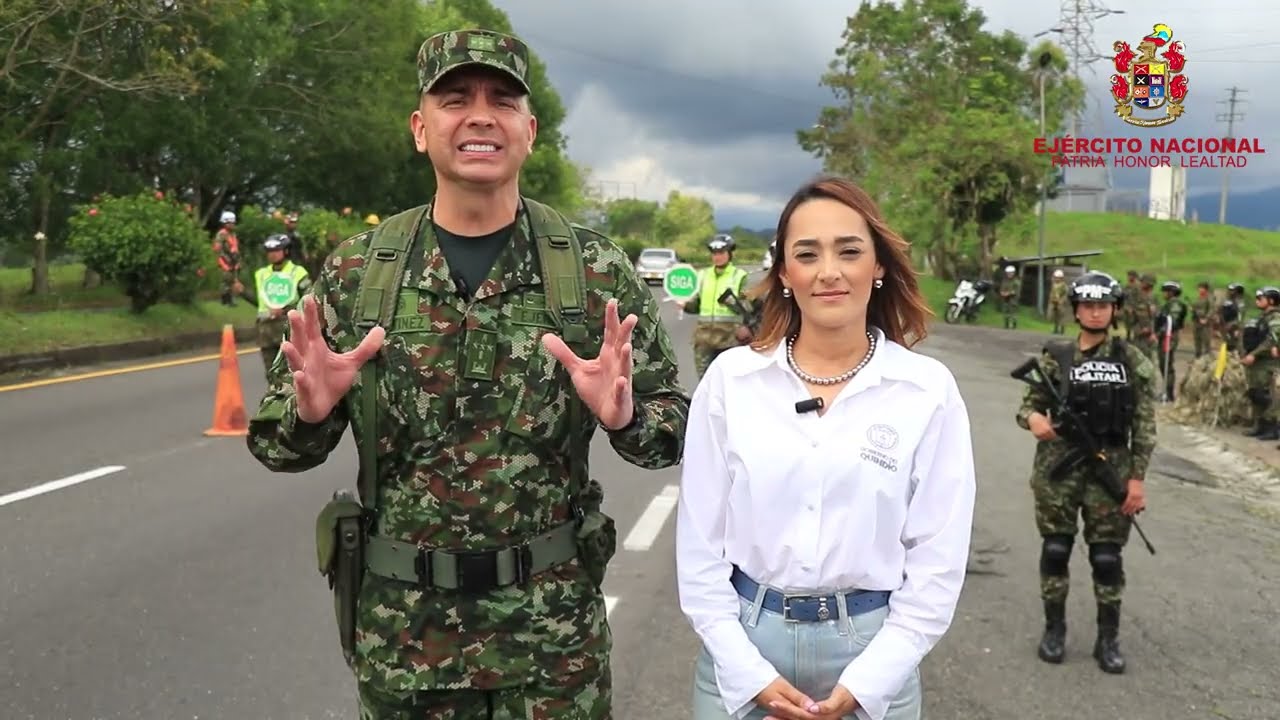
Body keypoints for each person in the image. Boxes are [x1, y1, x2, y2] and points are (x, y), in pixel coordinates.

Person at [244, 27, 689, 719]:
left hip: (554, 641)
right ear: (421, 129)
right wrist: (309, 414)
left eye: (502, 100)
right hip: (404, 638)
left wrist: (627, 416)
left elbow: (671, 433)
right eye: (456, 98)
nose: (480, 114)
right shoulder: (360, 273)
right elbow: (275, 446)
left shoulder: (592, 269)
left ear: (529, 130)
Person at [676, 175, 976, 720]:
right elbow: (700, 546)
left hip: (871, 649)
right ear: (785, 274)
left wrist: (870, 680)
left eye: (850, 251)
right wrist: (749, 674)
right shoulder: (732, 380)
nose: (829, 271)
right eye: (807, 254)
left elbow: (938, 557)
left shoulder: (926, 391)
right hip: (745, 645)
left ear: (878, 266)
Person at [1015, 271, 1155, 674]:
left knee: (1107, 557)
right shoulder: (1055, 356)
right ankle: (1054, 630)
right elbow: (1027, 405)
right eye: (1088, 306)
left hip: (1111, 464)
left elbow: (1145, 425)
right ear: (1076, 310)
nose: (1095, 313)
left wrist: (1137, 479)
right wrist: (1034, 421)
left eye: (1103, 306)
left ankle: (1107, 639)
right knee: (1056, 548)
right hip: (1058, 467)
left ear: (1114, 310)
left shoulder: (1132, 360)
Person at [681, 234, 754, 378]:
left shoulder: (739, 276)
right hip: (704, 338)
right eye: (714, 253)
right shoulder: (703, 275)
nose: (717, 257)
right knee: (705, 382)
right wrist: (684, 304)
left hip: (729, 338)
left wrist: (730, 300)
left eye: (721, 253)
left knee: (729, 381)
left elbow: (749, 308)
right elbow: (696, 305)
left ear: (729, 254)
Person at [246, 233, 311, 380]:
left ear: (286, 251)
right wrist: (242, 291)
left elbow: (308, 300)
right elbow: (260, 301)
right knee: (272, 375)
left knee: (292, 373)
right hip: (265, 332)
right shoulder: (262, 274)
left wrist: (285, 309)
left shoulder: (298, 272)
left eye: (276, 251)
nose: (272, 255)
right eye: (269, 252)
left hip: (288, 329)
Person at [1240, 286, 1280, 441]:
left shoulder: (1275, 318)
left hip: (1268, 363)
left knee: (1268, 396)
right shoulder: (1261, 318)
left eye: (1260, 298)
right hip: (1257, 363)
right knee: (1255, 393)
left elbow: (1272, 340)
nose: (1257, 301)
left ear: (1271, 300)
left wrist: (1254, 354)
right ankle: (1260, 425)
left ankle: (1272, 428)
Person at [1047, 268, 1068, 334]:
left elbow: (1065, 294)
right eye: (1056, 277)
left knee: (1061, 316)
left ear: (1061, 278)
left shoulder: (1064, 285)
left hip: (1060, 302)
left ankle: (1062, 329)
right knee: (1054, 315)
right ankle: (1055, 329)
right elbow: (1052, 292)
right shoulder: (1053, 284)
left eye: (1058, 278)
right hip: (1053, 301)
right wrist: (1051, 299)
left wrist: (1062, 301)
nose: (1057, 279)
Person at [998, 264, 1020, 328]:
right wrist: (1002, 293)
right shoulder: (1005, 281)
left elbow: (1015, 291)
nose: (1009, 274)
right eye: (1008, 273)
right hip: (1005, 298)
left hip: (1013, 299)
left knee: (1013, 312)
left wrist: (1008, 293)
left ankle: (1014, 324)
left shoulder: (1016, 281)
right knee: (1005, 311)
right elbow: (1002, 288)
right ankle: (1006, 324)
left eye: (1010, 273)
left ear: (1013, 273)